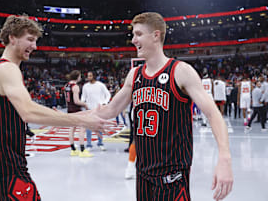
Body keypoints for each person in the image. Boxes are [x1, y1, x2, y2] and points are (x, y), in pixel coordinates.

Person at [96, 12, 233, 200]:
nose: (133, 40)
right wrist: (72, 119)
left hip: (172, 178)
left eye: (138, 34)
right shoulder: (134, 75)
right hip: (143, 175)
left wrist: (224, 158)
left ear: (156, 35)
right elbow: (109, 111)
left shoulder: (181, 71)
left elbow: (213, 114)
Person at [0, 15, 113, 201]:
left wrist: (83, 113)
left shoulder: (1, 68)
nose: (34, 46)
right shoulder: (7, 69)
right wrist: (82, 119)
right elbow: (28, 112)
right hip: (5, 161)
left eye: (35, 41)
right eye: (30, 39)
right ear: (12, 38)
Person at [63, 70, 93, 157]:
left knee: (72, 129)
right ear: (77, 77)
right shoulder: (75, 86)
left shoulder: (66, 85)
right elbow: (76, 101)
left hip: (69, 109)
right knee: (82, 128)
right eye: (79, 76)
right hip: (76, 110)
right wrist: (85, 104)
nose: (80, 77)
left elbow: (66, 100)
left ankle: (73, 149)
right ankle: (82, 150)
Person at [81, 71, 111, 151]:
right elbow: (83, 97)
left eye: (90, 76)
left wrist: (104, 103)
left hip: (99, 110)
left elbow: (108, 94)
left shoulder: (100, 85)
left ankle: (100, 143)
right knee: (88, 128)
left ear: (94, 76)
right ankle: (89, 145)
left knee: (99, 127)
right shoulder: (85, 86)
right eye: (88, 76)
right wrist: (84, 103)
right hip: (89, 110)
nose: (88, 77)